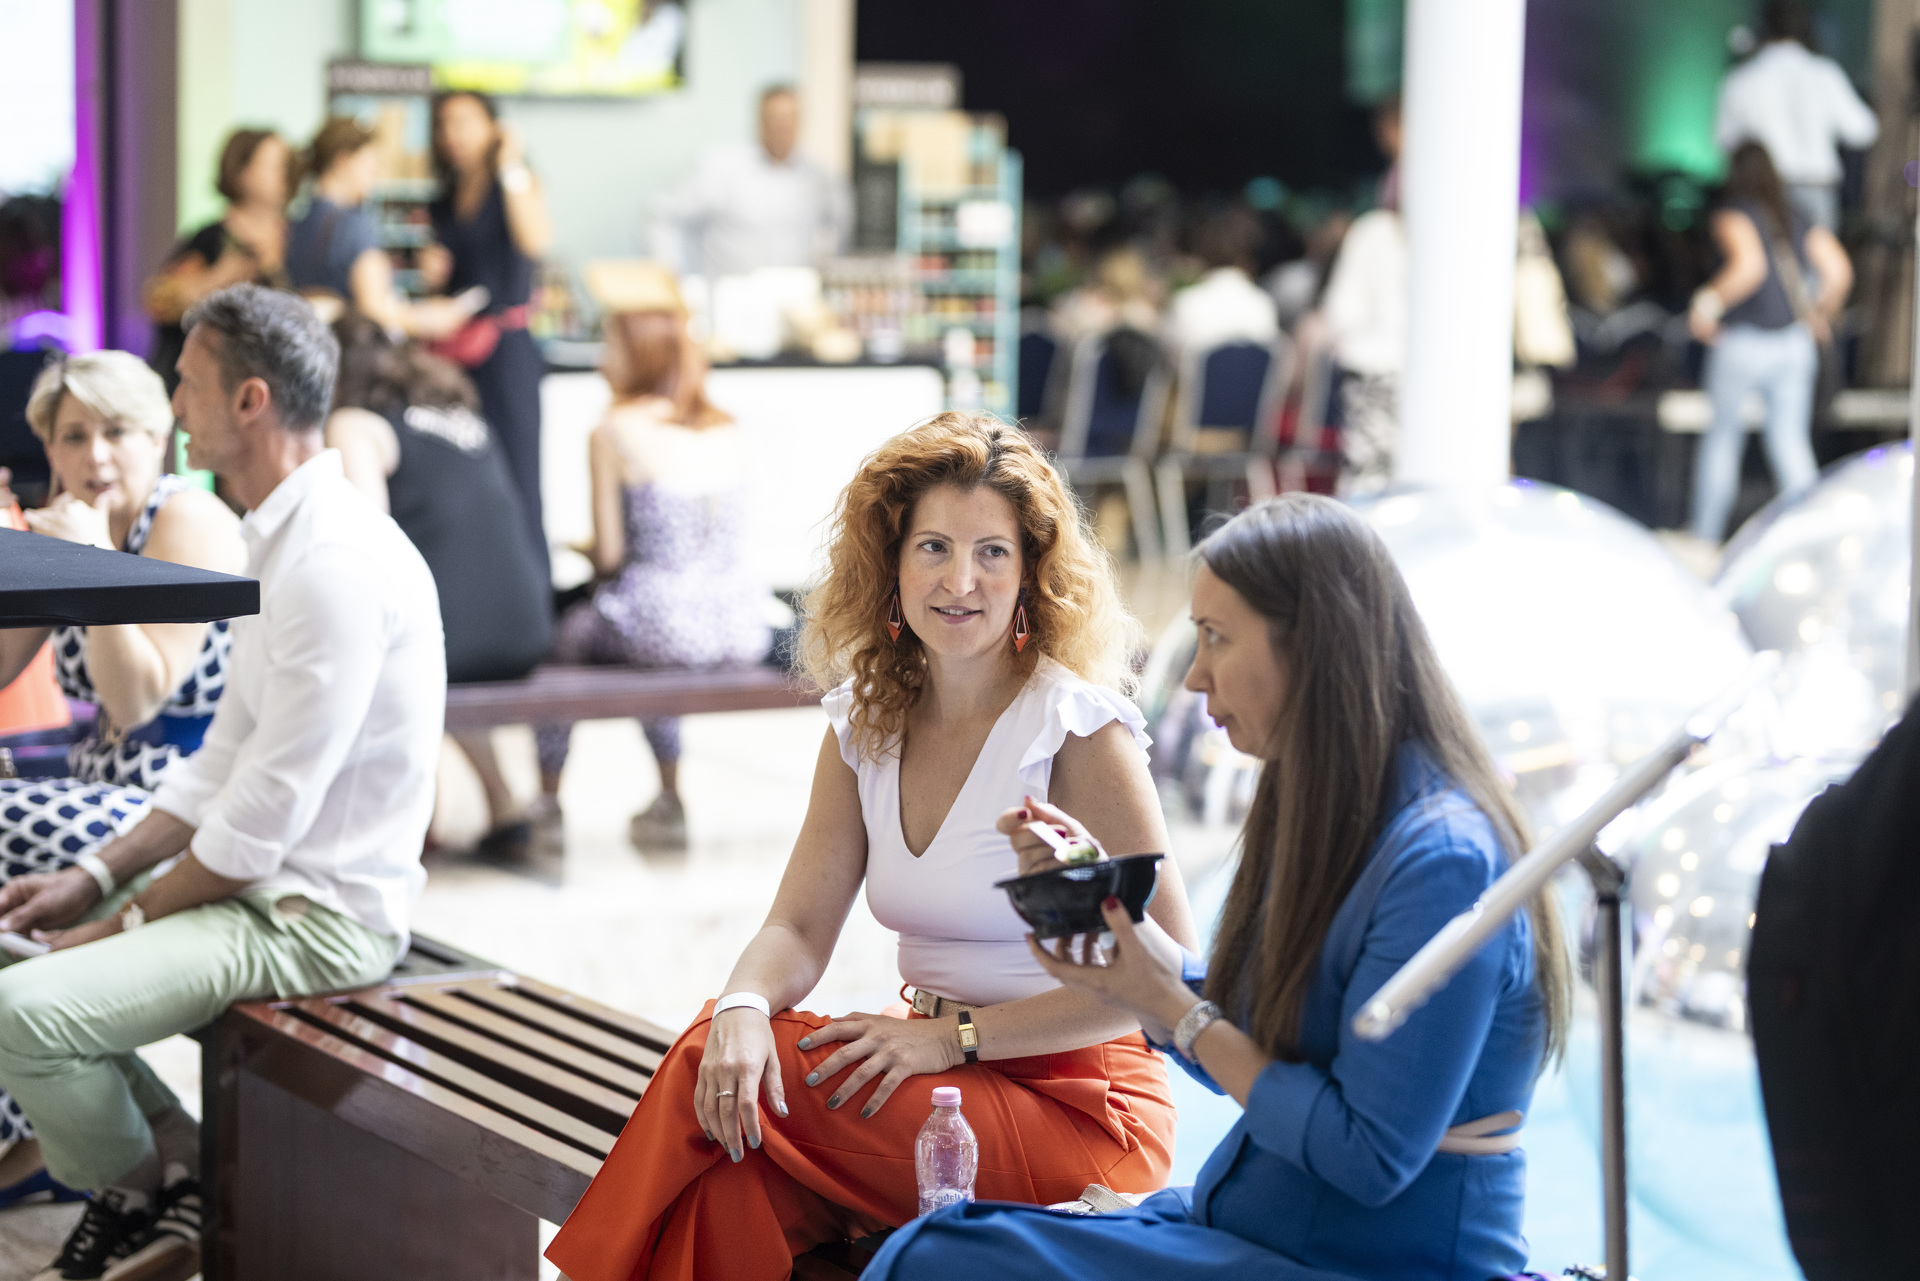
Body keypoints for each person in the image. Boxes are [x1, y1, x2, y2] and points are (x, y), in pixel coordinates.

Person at [545, 414, 1200, 1281]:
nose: (960, 579)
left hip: (1081, 1107)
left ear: (1031, 572)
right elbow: (797, 927)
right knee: (728, 1184)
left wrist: (956, 1038)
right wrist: (743, 1002)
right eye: (933, 547)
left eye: (991, 552)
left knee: (712, 1063)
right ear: (890, 563)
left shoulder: (1075, 728)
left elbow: (1170, 983)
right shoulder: (867, 720)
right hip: (936, 1077)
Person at [864, 493, 1572, 1281]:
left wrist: (1171, 1004)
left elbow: (1367, 1156)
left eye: (1216, 637)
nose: (1196, 676)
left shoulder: (1445, 862)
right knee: (951, 1242)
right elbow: (1252, 1040)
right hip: (1252, 1222)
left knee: (936, 1259)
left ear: (1314, 646)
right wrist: (1117, 928)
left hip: (1363, 1260)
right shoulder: (1325, 808)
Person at [0, 284, 444, 1280]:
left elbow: (259, 824)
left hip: (316, 917)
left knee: (26, 1012)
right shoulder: (281, 539)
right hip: (261, 887)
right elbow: (221, 764)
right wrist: (89, 878)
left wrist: (123, 921)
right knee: (9, 948)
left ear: (250, 400)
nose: (176, 404)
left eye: (188, 383)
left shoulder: (332, 561)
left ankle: (139, 1194)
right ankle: (181, 1181)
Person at [532, 264, 769, 851]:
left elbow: (610, 556)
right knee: (645, 635)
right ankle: (669, 794)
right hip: (737, 621)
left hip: (663, 624)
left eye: (609, 348)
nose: (599, 362)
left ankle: (548, 801)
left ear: (637, 357)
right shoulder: (724, 427)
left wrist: (582, 549)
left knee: (564, 642)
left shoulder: (612, 431)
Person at [327, 311, 551, 855]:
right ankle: (499, 803)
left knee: (376, 644)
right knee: (430, 639)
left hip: (456, 635)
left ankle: (415, 816)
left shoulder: (356, 424)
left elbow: (368, 540)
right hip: (527, 626)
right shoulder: (463, 416)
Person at [1687, 141, 1852, 543]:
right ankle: (1812, 539)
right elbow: (1839, 271)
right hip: (1794, 343)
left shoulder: (1734, 214)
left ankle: (1704, 539)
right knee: (1790, 443)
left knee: (1723, 441)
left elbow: (1749, 267)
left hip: (1746, 341)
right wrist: (1818, 314)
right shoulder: (1795, 216)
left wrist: (1706, 304)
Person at [424, 90, 554, 563]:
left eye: (464, 122)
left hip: (506, 351)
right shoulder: (444, 199)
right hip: (456, 354)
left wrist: (510, 162)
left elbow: (536, 241)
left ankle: (532, 591)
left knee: (518, 472)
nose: (452, 134)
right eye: (444, 124)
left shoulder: (514, 182)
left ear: (493, 127)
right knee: (462, 473)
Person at [286, 117, 479, 341]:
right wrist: (431, 318)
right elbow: (375, 311)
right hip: (351, 351)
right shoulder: (355, 226)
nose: (375, 176)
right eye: (371, 165)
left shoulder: (298, 222)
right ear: (343, 161)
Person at [143, 128, 294, 391]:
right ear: (241, 171)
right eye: (273, 165)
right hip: (207, 383)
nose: (285, 173)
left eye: (286, 164)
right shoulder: (211, 240)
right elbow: (158, 300)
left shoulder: (298, 235)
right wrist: (221, 276)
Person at [650, 85, 851, 279]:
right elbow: (664, 216)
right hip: (730, 296)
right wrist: (675, 276)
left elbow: (839, 230)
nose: (783, 127)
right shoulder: (720, 169)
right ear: (760, 121)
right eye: (775, 119)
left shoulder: (820, 179)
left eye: (790, 118)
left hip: (796, 295)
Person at [1714, 1, 1878, 231]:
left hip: (1763, 191)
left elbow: (1724, 140)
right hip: (1815, 188)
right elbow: (1863, 130)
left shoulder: (1742, 78)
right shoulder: (1824, 74)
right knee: (1817, 254)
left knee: (1768, 254)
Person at [1320, 97, 1407, 496]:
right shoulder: (1449, 245)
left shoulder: (1372, 234)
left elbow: (1340, 312)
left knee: (1369, 489)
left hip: (1372, 372)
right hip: (1428, 375)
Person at [1162, 207, 1280, 355]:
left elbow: (1167, 356)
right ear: (1244, 261)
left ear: (1203, 260)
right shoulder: (1264, 303)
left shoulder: (1185, 303)